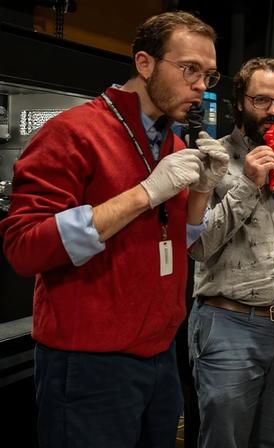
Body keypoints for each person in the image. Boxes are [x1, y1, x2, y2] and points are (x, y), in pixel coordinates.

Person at [0, 11, 228, 447]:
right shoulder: (73, 132)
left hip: (160, 356)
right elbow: (24, 247)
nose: (201, 86)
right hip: (89, 364)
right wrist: (145, 192)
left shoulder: (173, 142)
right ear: (144, 64)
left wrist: (201, 192)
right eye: (190, 70)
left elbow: (171, 242)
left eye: (209, 75)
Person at [187, 57, 274, 448]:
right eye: (262, 100)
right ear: (239, 103)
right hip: (228, 323)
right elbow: (198, 246)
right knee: (224, 439)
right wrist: (246, 185)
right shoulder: (208, 159)